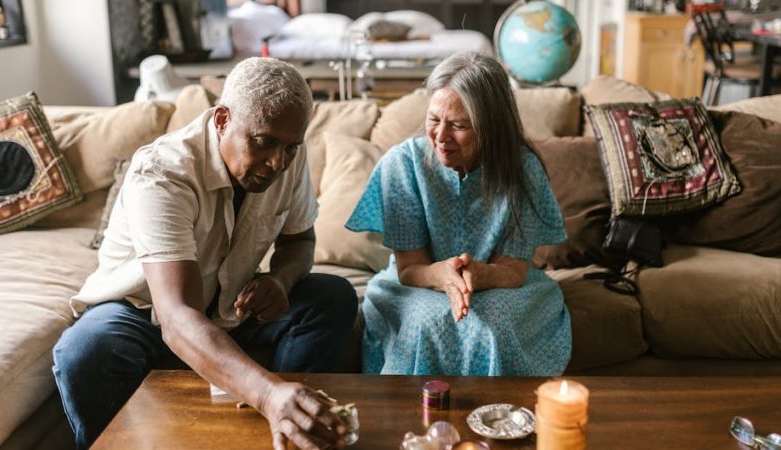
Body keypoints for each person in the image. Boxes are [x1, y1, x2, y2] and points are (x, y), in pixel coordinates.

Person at [53, 57, 357, 450]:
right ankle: (275, 402)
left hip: (228, 308)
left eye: (291, 148)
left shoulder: (285, 158)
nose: (278, 163)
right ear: (222, 120)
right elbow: (177, 316)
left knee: (331, 297)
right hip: (143, 316)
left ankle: (292, 426)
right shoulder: (162, 174)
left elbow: (300, 241)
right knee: (85, 350)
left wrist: (280, 280)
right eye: (264, 142)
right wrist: (266, 392)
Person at [346, 51, 570, 376]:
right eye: (434, 119)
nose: (440, 136)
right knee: (429, 322)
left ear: (490, 127)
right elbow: (410, 269)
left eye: (459, 125)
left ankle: (497, 418)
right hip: (416, 284)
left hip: (498, 286)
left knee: (492, 326)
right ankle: (415, 417)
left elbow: (514, 271)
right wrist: (444, 275)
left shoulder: (524, 169)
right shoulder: (402, 165)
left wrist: (480, 275)